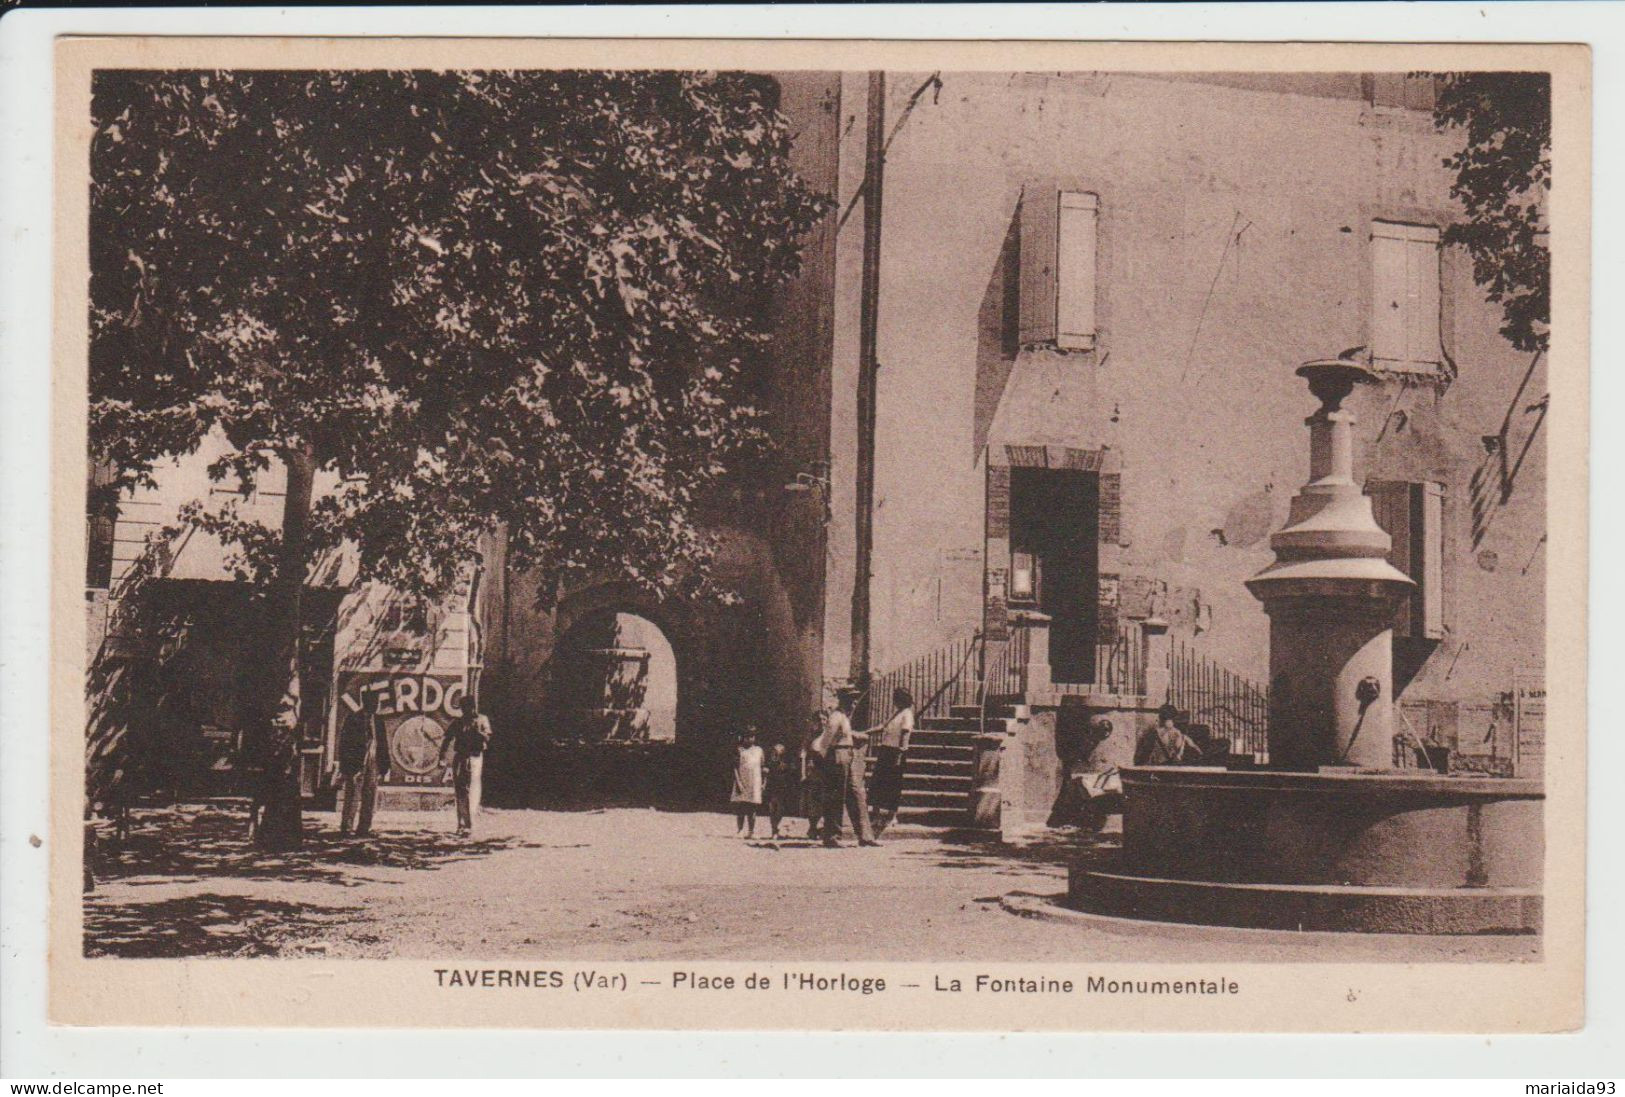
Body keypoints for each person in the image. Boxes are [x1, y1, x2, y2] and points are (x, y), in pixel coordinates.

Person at [815, 687, 877, 848]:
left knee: (855, 794)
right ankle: (832, 836)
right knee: (836, 795)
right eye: (852, 700)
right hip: (837, 756)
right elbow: (826, 739)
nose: (855, 703)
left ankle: (865, 835)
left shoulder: (843, 717)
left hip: (847, 755)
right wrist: (823, 758)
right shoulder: (836, 717)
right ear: (844, 701)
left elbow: (846, 734)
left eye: (856, 700)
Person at [336, 688, 391, 838]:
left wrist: (385, 766)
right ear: (365, 702)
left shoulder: (378, 720)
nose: (376, 705)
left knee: (370, 796)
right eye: (373, 702)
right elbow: (344, 743)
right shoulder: (353, 718)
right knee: (352, 795)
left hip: (373, 762)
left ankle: (364, 828)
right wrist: (345, 765)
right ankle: (346, 828)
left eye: (377, 702)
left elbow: (383, 743)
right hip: (356, 763)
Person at [440, 697, 493, 836]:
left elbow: (488, 737)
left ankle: (470, 823)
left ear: (473, 707)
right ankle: (462, 824)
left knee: (473, 789)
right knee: (460, 790)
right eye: (463, 708)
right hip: (461, 757)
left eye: (468, 707)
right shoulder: (458, 722)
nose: (466, 710)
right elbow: (447, 739)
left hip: (475, 757)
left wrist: (476, 731)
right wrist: (442, 757)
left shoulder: (482, 720)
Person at [868, 686, 915, 837]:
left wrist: (901, 753)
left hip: (896, 752)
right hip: (885, 750)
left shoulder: (907, 714)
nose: (894, 701)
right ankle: (875, 814)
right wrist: (866, 732)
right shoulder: (896, 713)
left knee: (893, 784)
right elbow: (883, 727)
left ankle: (892, 815)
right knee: (878, 782)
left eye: (897, 698)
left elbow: (905, 734)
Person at [1135, 703, 1203, 766]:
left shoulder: (1153, 734)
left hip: (1159, 771)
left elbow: (1141, 756)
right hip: (1176, 772)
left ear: (1160, 716)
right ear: (1175, 717)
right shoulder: (1182, 736)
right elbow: (1199, 753)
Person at [730, 727, 765, 837]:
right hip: (742, 781)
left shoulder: (759, 750)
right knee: (741, 807)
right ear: (743, 738)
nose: (749, 739)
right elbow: (735, 767)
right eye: (747, 737)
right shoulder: (739, 750)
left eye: (752, 736)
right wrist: (738, 782)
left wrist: (764, 782)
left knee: (752, 808)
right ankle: (740, 830)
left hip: (754, 782)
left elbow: (763, 767)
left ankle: (751, 831)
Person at [800, 710, 827, 841]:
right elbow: (803, 755)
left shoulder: (830, 736)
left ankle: (823, 828)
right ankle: (812, 827)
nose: (822, 722)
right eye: (819, 719)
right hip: (813, 771)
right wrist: (803, 773)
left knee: (824, 800)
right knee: (812, 801)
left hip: (826, 771)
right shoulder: (811, 737)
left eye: (824, 719)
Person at [763, 741, 797, 840]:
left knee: (780, 809)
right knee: (772, 808)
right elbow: (766, 771)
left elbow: (791, 773)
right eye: (775, 751)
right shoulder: (771, 762)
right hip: (772, 787)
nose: (776, 754)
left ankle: (776, 828)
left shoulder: (786, 763)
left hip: (782, 787)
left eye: (779, 752)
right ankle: (774, 830)